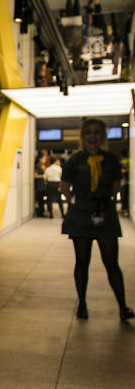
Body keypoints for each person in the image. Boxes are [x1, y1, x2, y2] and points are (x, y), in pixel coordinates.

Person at [60, 118, 133, 321]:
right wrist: (78, 203)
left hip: (105, 213)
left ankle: (122, 306)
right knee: (82, 261)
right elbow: (64, 188)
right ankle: (82, 304)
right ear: (83, 136)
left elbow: (117, 185)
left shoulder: (111, 160)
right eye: (89, 133)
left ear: (102, 136)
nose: (93, 137)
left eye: (97, 133)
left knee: (111, 262)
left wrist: (104, 198)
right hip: (81, 214)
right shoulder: (75, 160)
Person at [34, 151, 49, 216]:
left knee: (43, 200)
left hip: (43, 185)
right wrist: (44, 176)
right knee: (40, 200)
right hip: (39, 186)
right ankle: (41, 213)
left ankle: (43, 212)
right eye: (44, 159)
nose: (45, 160)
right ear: (40, 159)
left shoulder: (43, 166)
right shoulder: (38, 166)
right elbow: (35, 175)